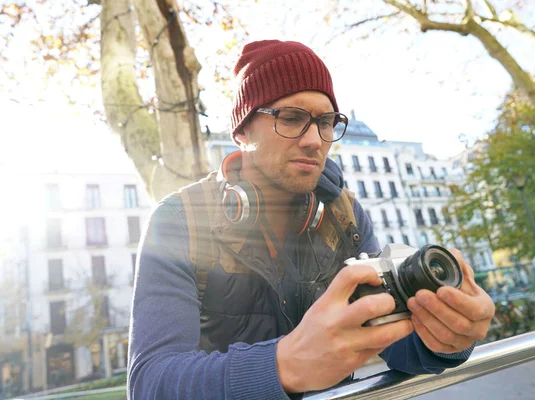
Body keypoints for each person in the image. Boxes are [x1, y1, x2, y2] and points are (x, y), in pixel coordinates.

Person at [127, 40, 495, 399]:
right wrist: (284, 364)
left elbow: (393, 343)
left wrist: (445, 335)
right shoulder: (179, 220)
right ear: (241, 131)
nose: (314, 140)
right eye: (291, 118)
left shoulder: (345, 215)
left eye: (326, 122)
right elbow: (149, 384)